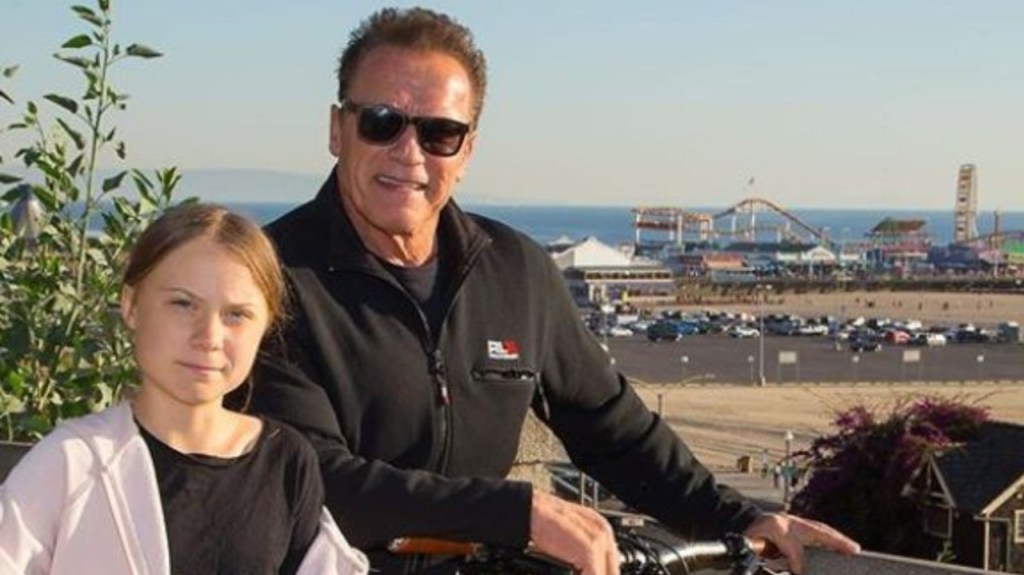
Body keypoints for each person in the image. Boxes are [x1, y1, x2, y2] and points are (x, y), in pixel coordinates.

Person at [250, 7, 860, 575]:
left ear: (467, 151)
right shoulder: (264, 279)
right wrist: (519, 513)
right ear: (337, 129)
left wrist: (739, 518)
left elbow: (613, 429)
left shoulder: (514, 270)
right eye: (381, 122)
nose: (409, 153)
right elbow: (313, 479)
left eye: (440, 133)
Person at [0, 204, 368, 575]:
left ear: (267, 325)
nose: (209, 336)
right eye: (183, 304)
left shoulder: (286, 463)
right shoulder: (73, 464)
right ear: (131, 305)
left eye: (236, 315)